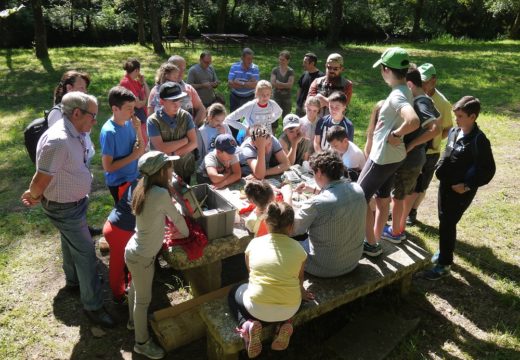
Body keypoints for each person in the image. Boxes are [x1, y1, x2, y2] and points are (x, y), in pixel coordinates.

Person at [21, 92, 115, 328]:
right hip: (64, 208)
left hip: (75, 203)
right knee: (85, 253)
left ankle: (73, 281)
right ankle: (93, 307)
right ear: (76, 113)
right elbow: (40, 180)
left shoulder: (77, 132)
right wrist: (32, 196)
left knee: (69, 241)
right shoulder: (59, 141)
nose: (96, 120)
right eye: (93, 115)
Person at [125, 151, 189, 359]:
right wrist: (187, 232)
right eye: (169, 166)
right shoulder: (160, 194)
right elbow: (177, 218)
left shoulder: (143, 186)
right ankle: (141, 343)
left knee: (135, 290)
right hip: (142, 256)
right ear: (161, 171)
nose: (172, 169)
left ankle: (133, 323)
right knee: (143, 300)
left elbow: (156, 215)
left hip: (134, 251)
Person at [424, 96, 495, 280]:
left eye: (461, 116)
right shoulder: (455, 131)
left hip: (460, 190)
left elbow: (488, 170)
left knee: (448, 222)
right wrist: (439, 167)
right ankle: (444, 251)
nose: (456, 119)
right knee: (443, 220)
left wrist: (467, 185)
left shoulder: (479, 140)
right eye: (456, 115)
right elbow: (446, 151)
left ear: (473, 117)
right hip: (445, 186)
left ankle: (444, 264)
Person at [357, 47, 419, 257]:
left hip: (382, 157)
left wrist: (398, 134)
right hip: (395, 158)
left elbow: (413, 120)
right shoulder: (406, 90)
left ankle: (371, 244)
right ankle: (374, 237)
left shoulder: (396, 96)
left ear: (385, 69)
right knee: (383, 199)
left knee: (359, 197)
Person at [228, 201, 311, 358]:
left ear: (265, 222)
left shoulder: (254, 244)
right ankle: (285, 324)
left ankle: (247, 325)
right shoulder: (299, 250)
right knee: (297, 298)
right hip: (290, 307)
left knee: (233, 292)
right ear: (291, 226)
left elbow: (251, 274)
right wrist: (302, 292)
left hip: (256, 309)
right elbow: (299, 280)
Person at [381, 67, 440, 244]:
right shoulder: (426, 99)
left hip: (410, 158)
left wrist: (413, 143)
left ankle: (395, 232)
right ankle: (400, 228)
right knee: (404, 195)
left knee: (397, 197)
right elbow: (437, 119)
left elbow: (435, 129)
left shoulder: (420, 101)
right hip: (417, 157)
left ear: (409, 84)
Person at [285, 151, 366, 277]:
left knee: (282, 242)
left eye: (313, 173)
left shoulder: (316, 204)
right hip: (352, 261)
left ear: (318, 172)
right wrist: (313, 189)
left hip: (324, 268)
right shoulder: (358, 189)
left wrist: (287, 198)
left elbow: (291, 229)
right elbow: (336, 197)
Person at [47, 70, 101, 237]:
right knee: (74, 200)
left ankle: (83, 226)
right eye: (81, 88)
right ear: (69, 88)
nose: (85, 91)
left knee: (82, 196)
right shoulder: (58, 113)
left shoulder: (81, 109)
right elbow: (65, 142)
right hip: (72, 161)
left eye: (85, 88)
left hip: (84, 157)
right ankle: (79, 230)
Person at [407, 63, 454, 225]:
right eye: (420, 80)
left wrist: (434, 140)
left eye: (425, 81)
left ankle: (412, 211)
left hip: (430, 153)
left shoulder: (443, 103)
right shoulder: (414, 95)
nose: (423, 84)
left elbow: (448, 128)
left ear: (434, 80)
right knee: (409, 182)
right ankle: (403, 210)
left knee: (421, 186)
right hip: (413, 149)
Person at [100, 86, 145, 204]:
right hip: (119, 183)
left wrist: (138, 130)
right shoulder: (109, 132)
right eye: (129, 108)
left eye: (133, 108)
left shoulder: (130, 123)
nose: (133, 112)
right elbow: (108, 167)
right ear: (115, 109)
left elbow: (140, 149)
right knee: (126, 217)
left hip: (134, 177)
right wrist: (133, 156)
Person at [147, 82, 198, 184]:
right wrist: (184, 140)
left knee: (184, 197)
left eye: (179, 100)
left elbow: (194, 143)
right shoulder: (153, 121)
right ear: (162, 102)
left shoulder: (186, 116)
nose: (177, 105)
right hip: (162, 171)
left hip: (184, 168)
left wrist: (173, 153)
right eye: (172, 101)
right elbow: (161, 148)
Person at [102, 180, 138, 304]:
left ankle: (124, 291)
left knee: (118, 264)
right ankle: (119, 296)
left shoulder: (137, 181)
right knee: (131, 263)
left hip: (112, 225)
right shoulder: (152, 191)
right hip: (120, 232)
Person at [227, 48, 260, 138]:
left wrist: (240, 82)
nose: (250, 61)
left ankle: (245, 139)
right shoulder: (234, 66)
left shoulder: (255, 68)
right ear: (242, 58)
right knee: (233, 118)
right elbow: (230, 83)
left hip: (249, 97)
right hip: (235, 97)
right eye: (248, 59)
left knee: (246, 120)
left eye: (251, 59)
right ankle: (232, 139)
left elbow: (255, 85)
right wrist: (248, 83)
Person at [168, 55, 207, 126]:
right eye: (178, 69)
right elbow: (151, 116)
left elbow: (202, 109)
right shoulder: (157, 90)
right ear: (169, 69)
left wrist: (193, 127)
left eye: (183, 69)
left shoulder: (189, 89)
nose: (181, 73)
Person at [120, 58, 150, 146]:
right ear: (137, 70)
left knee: (144, 143)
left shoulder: (134, 82)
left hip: (141, 116)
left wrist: (143, 82)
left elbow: (148, 94)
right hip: (134, 118)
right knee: (140, 143)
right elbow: (138, 104)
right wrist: (144, 101)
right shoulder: (126, 82)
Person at [270, 50, 295, 122]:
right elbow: (272, 83)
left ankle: (285, 133)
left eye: (283, 60)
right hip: (276, 97)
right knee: (273, 119)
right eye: (280, 59)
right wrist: (284, 85)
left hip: (287, 98)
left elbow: (290, 85)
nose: (281, 61)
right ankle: (272, 133)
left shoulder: (291, 71)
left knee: (286, 119)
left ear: (288, 61)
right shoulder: (275, 70)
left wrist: (279, 83)